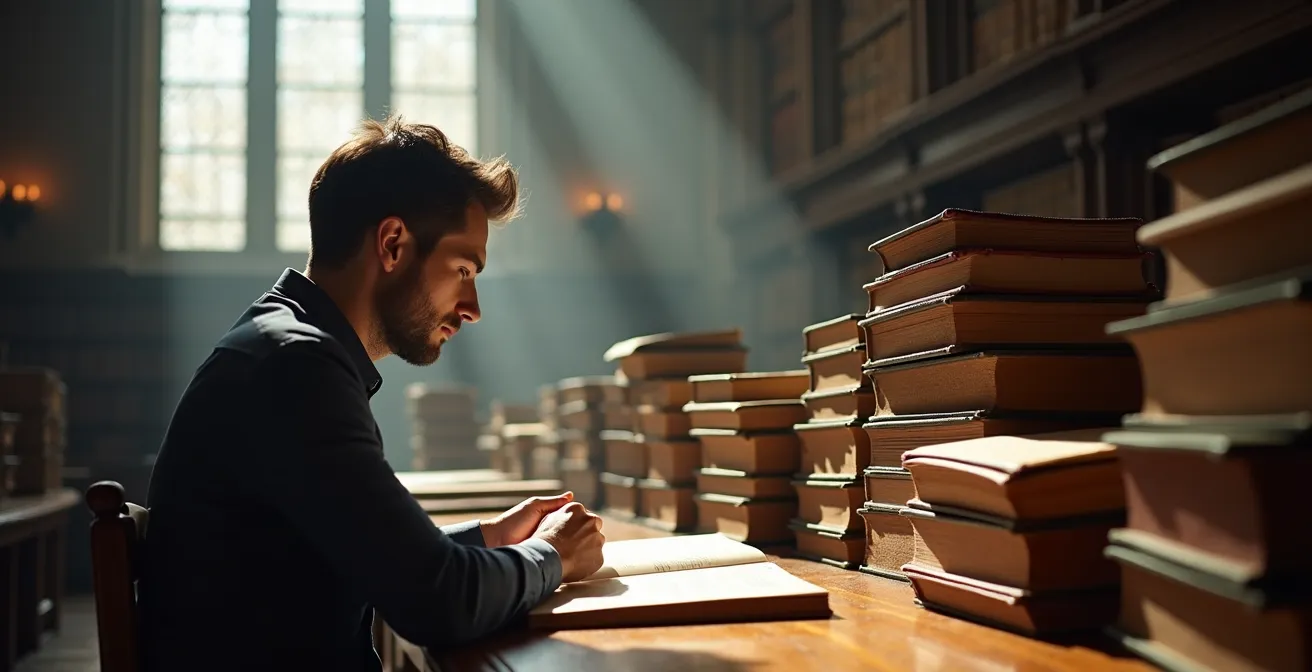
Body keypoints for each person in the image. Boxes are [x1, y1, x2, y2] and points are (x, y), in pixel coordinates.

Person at [139, 117, 606, 672]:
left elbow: (366, 560)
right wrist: (551, 555)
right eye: (463, 269)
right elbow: (436, 602)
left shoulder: (283, 345)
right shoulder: (295, 367)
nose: (473, 307)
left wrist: (488, 537)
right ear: (392, 244)